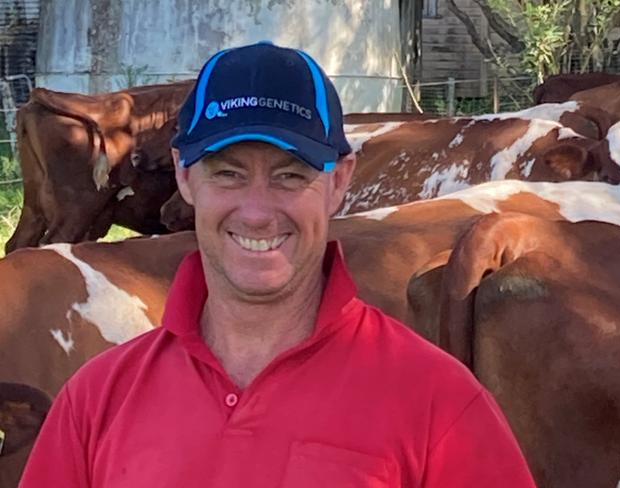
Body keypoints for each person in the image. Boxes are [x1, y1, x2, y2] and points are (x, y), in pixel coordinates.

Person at [19, 42, 536, 488]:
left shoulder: (439, 403)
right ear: (184, 175)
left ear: (339, 181)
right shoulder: (97, 400)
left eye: (290, 175)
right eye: (228, 173)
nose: (258, 211)